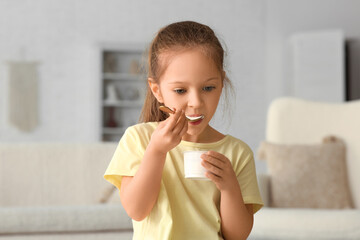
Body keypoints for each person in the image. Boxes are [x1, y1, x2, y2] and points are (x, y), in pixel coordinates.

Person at [104, 21, 263, 240]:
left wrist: (229, 188)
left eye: (208, 88)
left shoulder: (237, 152)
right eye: (180, 90)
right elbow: (136, 210)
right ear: (157, 90)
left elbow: (237, 235)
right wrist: (156, 152)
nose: (196, 102)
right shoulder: (139, 139)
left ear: (222, 83)